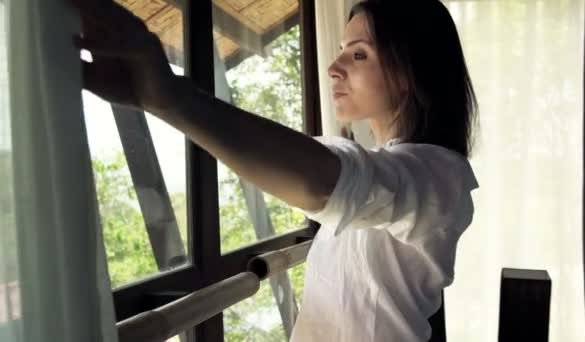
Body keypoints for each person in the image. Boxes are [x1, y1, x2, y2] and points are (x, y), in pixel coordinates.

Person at [69, 0, 479, 340]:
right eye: (341, 50)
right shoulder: (395, 166)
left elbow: (325, 184)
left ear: (410, 71)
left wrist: (169, 98)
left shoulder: (439, 175)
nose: (334, 66)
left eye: (359, 54)